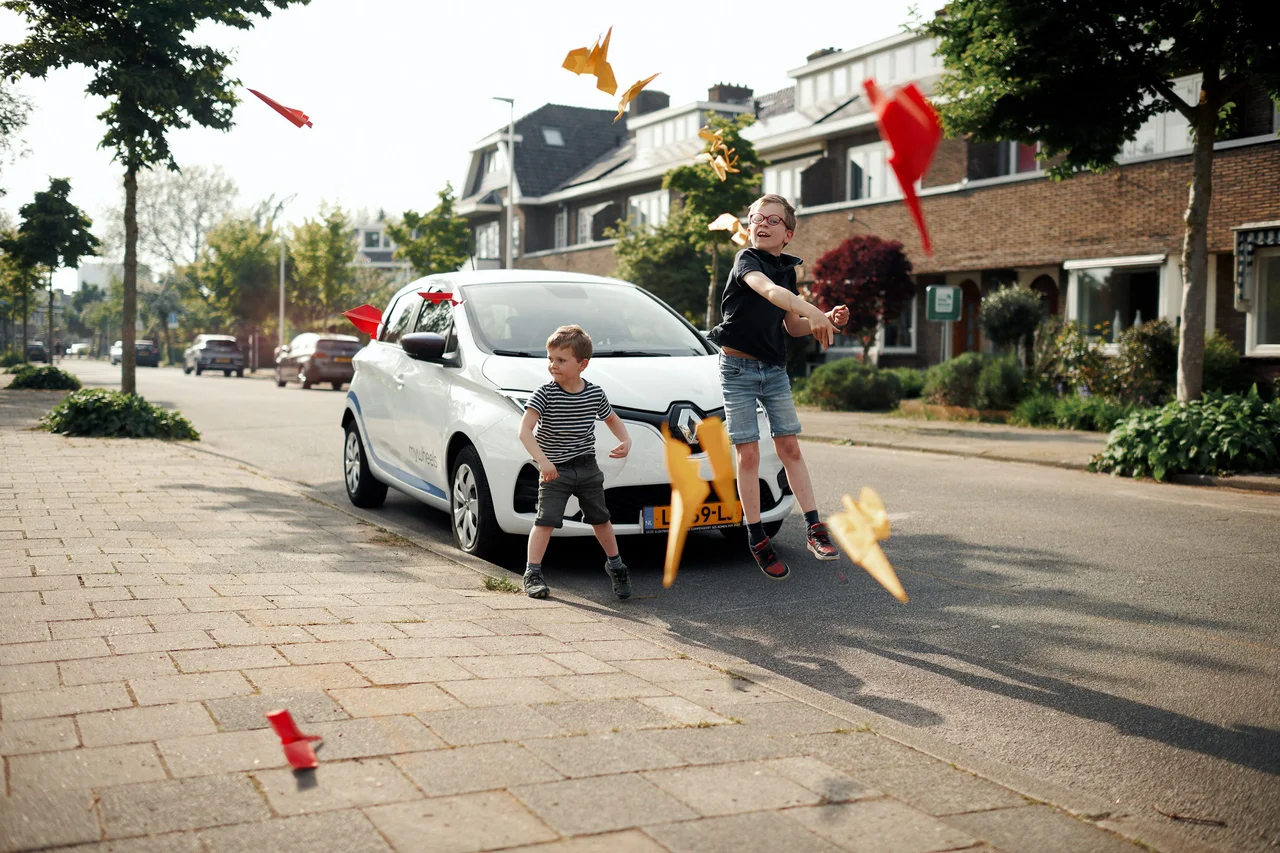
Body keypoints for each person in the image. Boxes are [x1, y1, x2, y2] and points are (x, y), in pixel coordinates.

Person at [708, 193, 850, 580]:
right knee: (749, 455)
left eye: (773, 220)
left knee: (789, 446)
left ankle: (814, 528)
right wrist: (815, 310)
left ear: (787, 235)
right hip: (736, 369)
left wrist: (828, 320)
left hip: (773, 370)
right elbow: (770, 293)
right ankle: (756, 537)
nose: (763, 224)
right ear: (749, 227)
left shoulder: (787, 271)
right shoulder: (746, 261)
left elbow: (792, 325)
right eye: (756, 218)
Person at [518, 324, 633, 600]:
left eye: (560, 360)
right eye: (550, 359)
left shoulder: (594, 393)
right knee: (545, 522)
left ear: (582, 364)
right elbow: (524, 432)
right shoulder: (544, 394)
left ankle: (616, 567)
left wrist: (626, 440)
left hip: (586, 467)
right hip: (554, 470)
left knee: (601, 520)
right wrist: (544, 462)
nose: (552, 366)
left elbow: (611, 419)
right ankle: (532, 573)